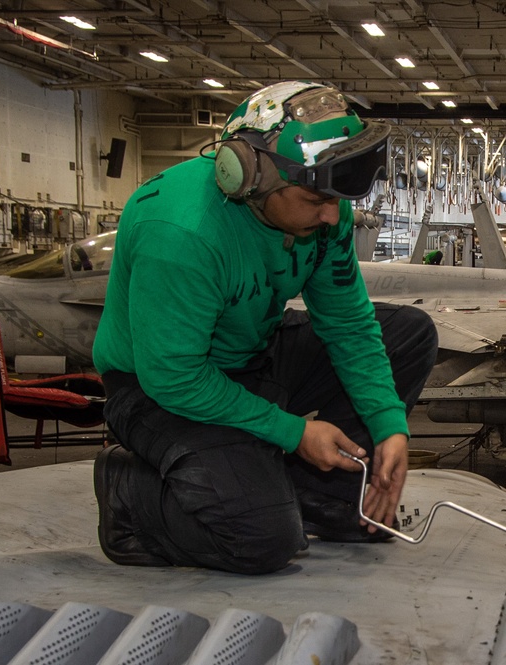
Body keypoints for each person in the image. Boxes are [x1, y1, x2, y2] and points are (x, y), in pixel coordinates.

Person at [91, 81, 438, 575]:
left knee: (410, 332)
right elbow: (173, 375)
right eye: (315, 196)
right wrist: (292, 432)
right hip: (156, 387)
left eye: (337, 196)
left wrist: (389, 425)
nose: (331, 213)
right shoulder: (181, 232)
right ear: (247, 174)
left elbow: (349, 324)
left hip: (250, 355)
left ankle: (320, 497)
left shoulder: (324, 214)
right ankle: (130, 495)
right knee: (262, 540)